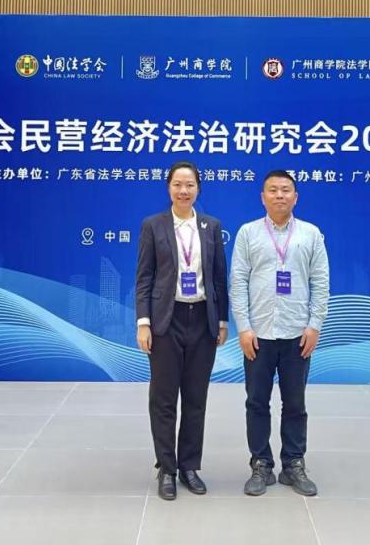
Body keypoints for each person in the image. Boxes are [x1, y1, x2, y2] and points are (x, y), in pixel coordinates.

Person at [229, 169, 329, 497]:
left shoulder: (311, 234)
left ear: (295, 197)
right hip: (258, 334)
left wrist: (314, 325)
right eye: (273, 190)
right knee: (257, 402)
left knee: (295, 403)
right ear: (263, 197)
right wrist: (244, 327)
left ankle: (293, 464)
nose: (279, 195)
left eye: (286, 190)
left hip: (297, 333)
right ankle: (261, 464)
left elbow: (321, 282)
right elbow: (238, 282)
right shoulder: (248, 233)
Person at [135, 160, 229, 500]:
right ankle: (167, 468)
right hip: (166, 320)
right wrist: (143, 322)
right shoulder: (153, 225)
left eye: (189, 185)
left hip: (202, 320)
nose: (183, 190)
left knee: (195, 398)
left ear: (198, 188)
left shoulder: (211, 226)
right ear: (168, 187)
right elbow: (144, 277)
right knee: (163, 399)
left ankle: (189, 466)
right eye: (177, 184)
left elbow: (219, 277)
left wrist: (222, 320)